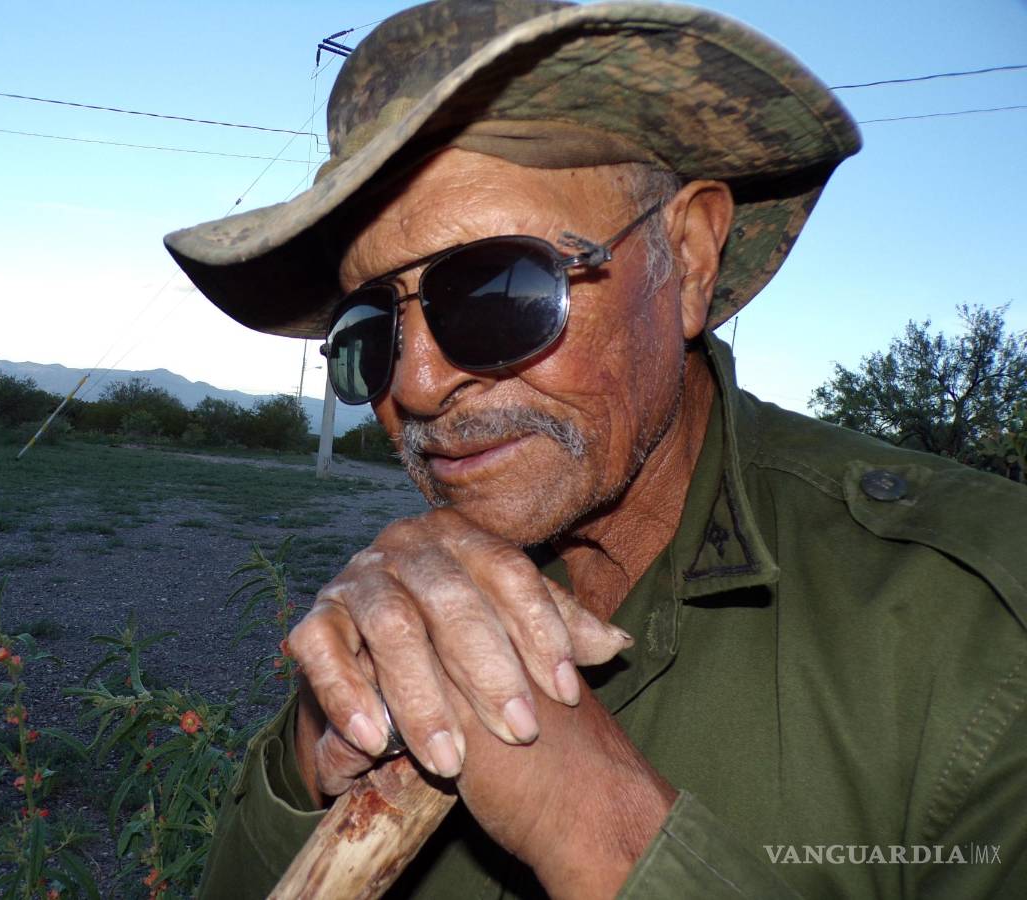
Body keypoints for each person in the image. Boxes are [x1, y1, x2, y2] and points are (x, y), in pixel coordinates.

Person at [165, 1, 1027, 896]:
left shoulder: (982, 636)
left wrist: (609, 840)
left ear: (688, 259)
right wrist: (310, 752)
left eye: (499, 291)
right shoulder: (414, 605)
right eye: (370, 328)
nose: (415, 386)